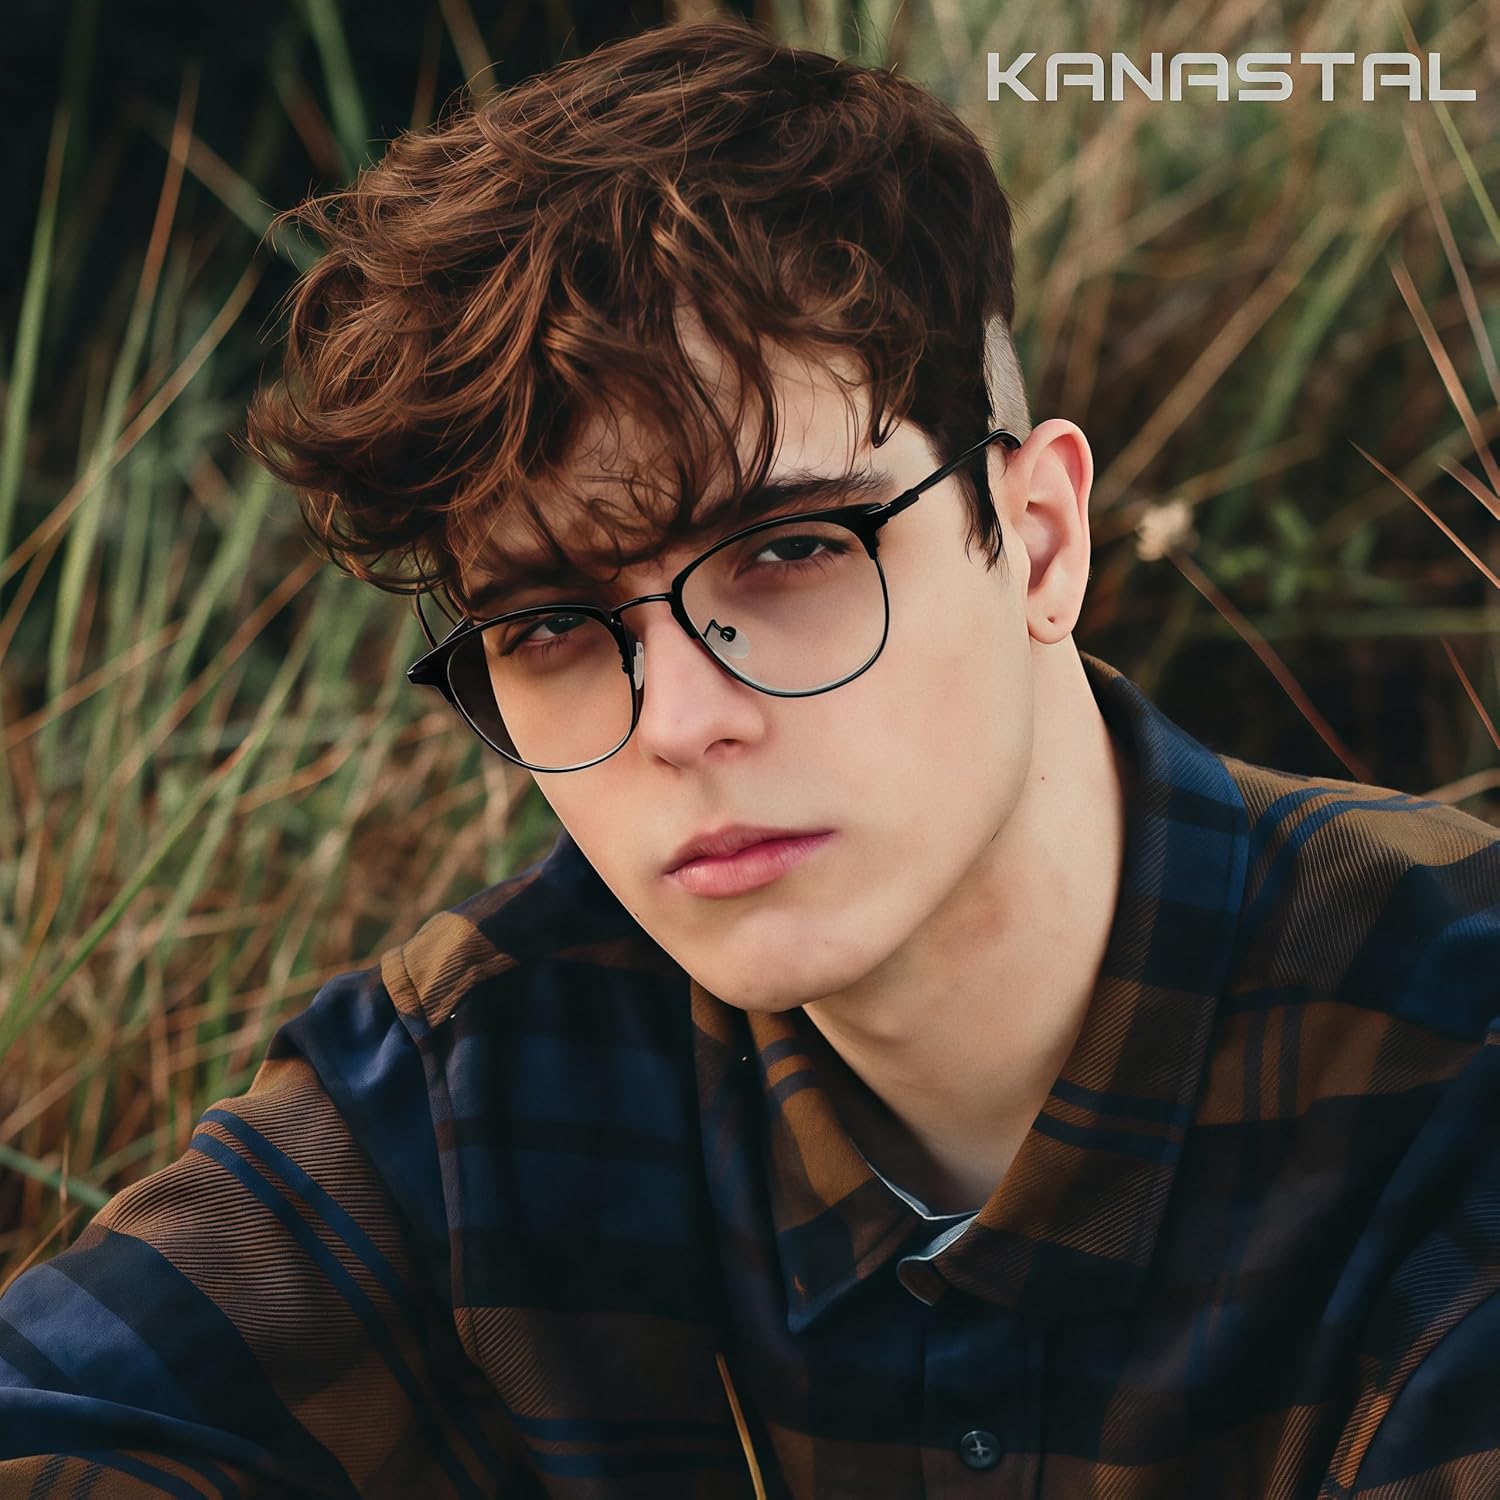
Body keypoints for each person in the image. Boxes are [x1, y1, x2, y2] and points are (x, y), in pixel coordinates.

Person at [1, 19, 1496, 1499]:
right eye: (548, 625)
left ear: (1038, 540)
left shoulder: (1453, 1054)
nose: (677, 722)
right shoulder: (477, 1086)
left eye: (789, 551)